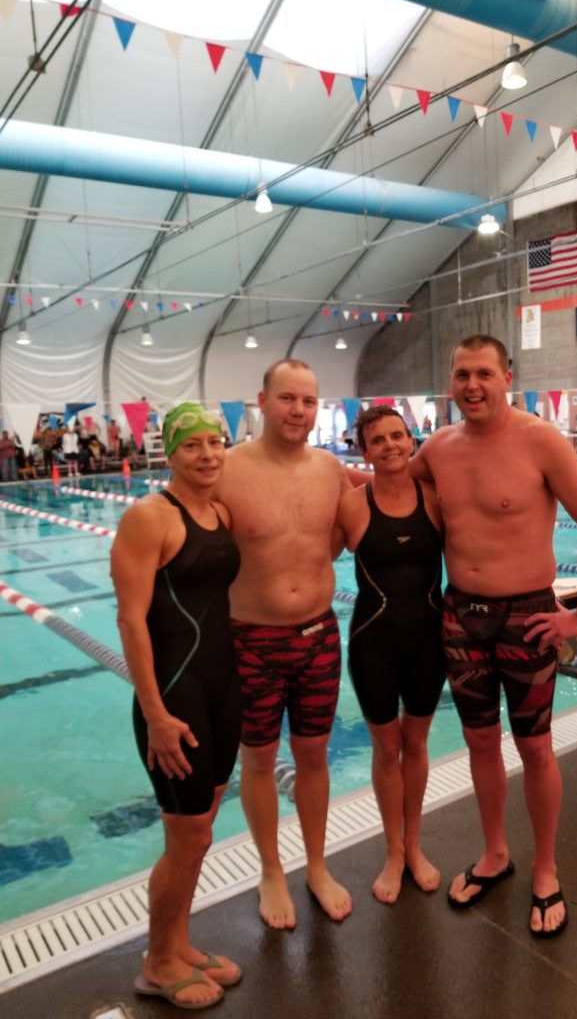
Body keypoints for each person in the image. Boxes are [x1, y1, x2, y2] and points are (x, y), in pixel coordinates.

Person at [410, 335, 577, 937]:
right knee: (480, 745)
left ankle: (547, 868)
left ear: (507, 376)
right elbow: (386, 486)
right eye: (460, 375)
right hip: (461, 619)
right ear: (449, 383)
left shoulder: (539, 441)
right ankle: (496, 854)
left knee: (535, 748)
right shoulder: (438, 449)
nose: (471, 385)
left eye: (482, 373)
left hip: (527, 618)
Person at [111, 402, 242, 1010]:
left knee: (201, 831)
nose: (209, 454)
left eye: (216, 442)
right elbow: (132, 623)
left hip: (222, 691)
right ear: (170, 451)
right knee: (184, 834)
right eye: (193, 445)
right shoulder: (147, 518)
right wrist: (157, 714)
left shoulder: (218, 511)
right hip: (176, 701)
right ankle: (157, 963)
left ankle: (181, 944)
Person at [216, 359, 353, 929]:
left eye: (309, 400)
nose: (299, 410)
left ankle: (317, 865)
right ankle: (271, 870)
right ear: (262, 400)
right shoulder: (224, 470)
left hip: (319, 634)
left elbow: (341, 541)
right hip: (250, 640)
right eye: (288, 398)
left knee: (315, 755)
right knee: (259, 760)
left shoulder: (330, 470)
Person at [335, 405, 444, 905]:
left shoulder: (437, 500)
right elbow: (309, 560)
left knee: (417, 744)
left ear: (411, 438)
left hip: (429, 641)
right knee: (386, 749)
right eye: (377, 440)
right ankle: (393, 852)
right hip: (372, 643)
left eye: (397, 436)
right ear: (364, 451)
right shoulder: (352, 506)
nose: (391, 446)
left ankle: (415, 845)